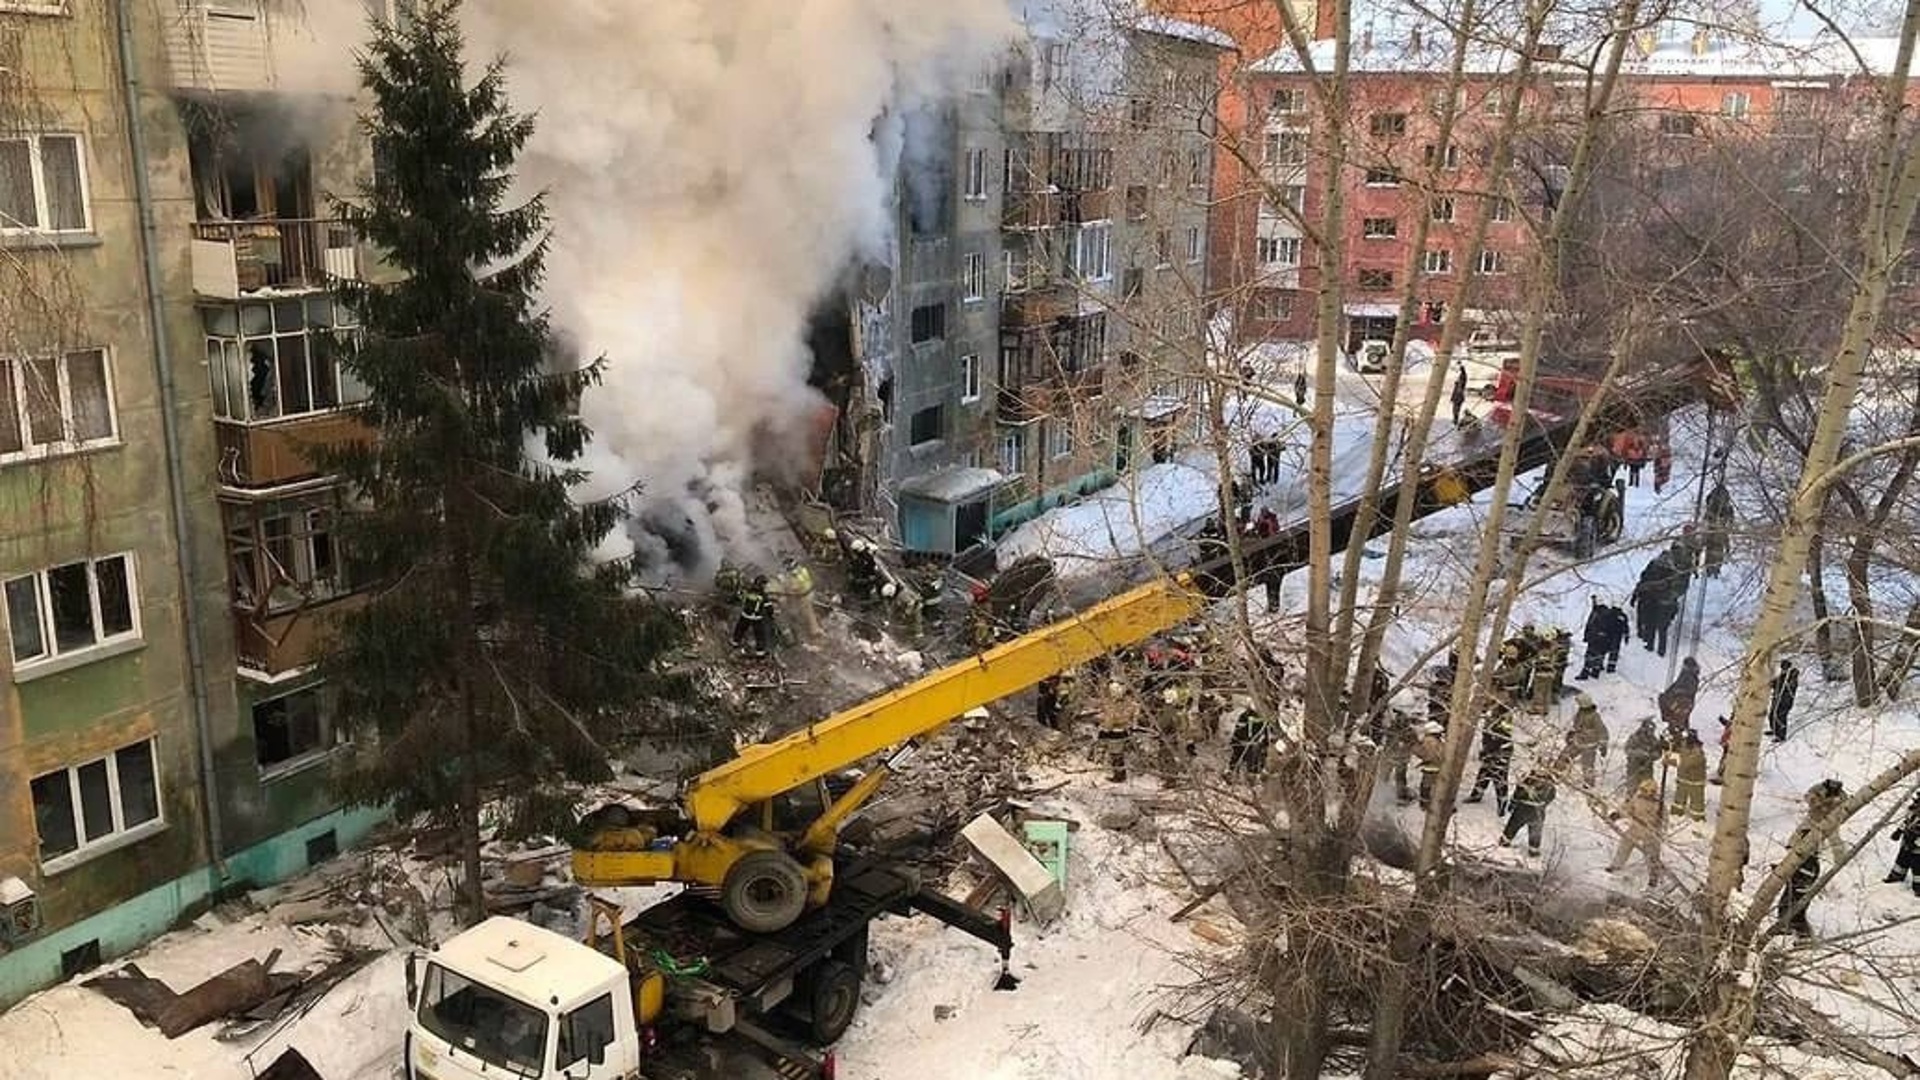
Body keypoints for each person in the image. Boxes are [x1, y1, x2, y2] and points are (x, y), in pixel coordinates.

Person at [1605, 778, 1665, 887]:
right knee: (1625, 843)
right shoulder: (1637, 798)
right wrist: (1617, 814)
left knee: (1652, 853)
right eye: (1643, 790)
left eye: (1647, 791)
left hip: (1650, 831)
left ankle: (1653, 876)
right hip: (1636, 827)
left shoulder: (1658, 804)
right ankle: (1616, 865)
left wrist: (1659, 827)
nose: (1644, 793)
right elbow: (1628, 808)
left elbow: (1664, 820)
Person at [1464, 695, 1514, 812]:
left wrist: (1489, 750)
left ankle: (1502, 802)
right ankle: (1476, 795)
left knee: (1499, 778)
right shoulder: (1493, 716)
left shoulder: (1504, 719)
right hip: (1490, 748)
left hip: (1501, 751)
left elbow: (1501, 736)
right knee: (1484, 773)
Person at [1501, 768, 1557, 856]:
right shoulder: (1549, 783)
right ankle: (1533, 851)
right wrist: (1542, 805)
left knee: (1512, 827)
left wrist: (1513, 804)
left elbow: (1518, 792)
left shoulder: (1528, 778)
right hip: (1538, 812)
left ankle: (1504, 843)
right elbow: (1551, 796)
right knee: (1535, 833)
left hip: (1522, 809)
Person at [1778, 824, 1821, 937]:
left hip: (1798, 895)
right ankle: (1787, 932)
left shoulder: (1811, 862)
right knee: (1786, 911)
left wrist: (1790, 875)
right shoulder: (1805, 860)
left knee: (1797, 917)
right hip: (1792, 892)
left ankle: (1803, 937)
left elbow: (1804, 879)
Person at [1098, 680, 1142, 782]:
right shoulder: (1125, 703)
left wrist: (1106, 727)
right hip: (1118, 730)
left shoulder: (1122, 704)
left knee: (1116, 754)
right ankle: (1119, 774)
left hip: (1117, 731)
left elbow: (1114, 718)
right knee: (1116, 754)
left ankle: (1119, 775)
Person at [1803, 778, 1850, 867]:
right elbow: (1808, 798)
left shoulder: (1841, 794)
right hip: (1815, 817)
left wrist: (1835, 804)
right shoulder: (1817, 788)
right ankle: (1808, 855)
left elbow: (1845, 804)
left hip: (1831, 820)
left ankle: (1840, 860)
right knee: (1809, 835)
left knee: (1834, 839)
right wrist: (1821, 802)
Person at [1565, 693, 1609, 786]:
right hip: (1577, 741)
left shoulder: (1595, 717)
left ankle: (1588, 784)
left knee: (1587, 766)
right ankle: (1556, 772)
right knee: (1565, 755)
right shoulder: (1580, 713)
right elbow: (1576, 725)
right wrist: (1572, 733)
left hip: (1589, 745)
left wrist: (1603, 745)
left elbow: (1602, 730)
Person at [1882, 789, 1920, 895]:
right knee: (1902, 860)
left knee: (1918, 867)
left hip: (1918, 848)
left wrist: (1916, 843)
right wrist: (1898, 831)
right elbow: (1906, 821)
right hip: (1907, 840)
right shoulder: (1914, 808)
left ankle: (1919, 888)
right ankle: (1896, 875)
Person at [1667, 729, 1708, 822]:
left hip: (1695, 781)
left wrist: (1671, 762)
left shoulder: (1698, 751)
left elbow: (1686, 763)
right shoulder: (1684, 746)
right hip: (1683, 778)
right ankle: (1677, 812)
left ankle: (1698, 819)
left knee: (1697, 802)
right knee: (1679, 798)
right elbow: (1678, 752)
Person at [776, 554, 820, 640]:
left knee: (808, 614)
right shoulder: (803, 570)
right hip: (811, 592)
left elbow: (792, 589)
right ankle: (815, 625)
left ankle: (814, 632)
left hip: (804, 597)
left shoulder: (793, 577)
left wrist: (783, 582)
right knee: (810, 612)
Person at [731, 574, 775, 657]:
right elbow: (769, 608)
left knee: (740, 630)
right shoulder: (763, 595)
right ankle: (760, 653)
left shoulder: (748, 590)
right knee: (759, 635)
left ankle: (735, 643)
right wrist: (771, 615)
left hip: (745, 615)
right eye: (764, 584)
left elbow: (739, 596)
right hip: (756, 618)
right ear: (762, 584)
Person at [1227, 698, 1272, 778]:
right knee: (1237, 753)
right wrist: (1243, 739)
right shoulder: (1244, 716)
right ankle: (1231, 771)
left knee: (1257, 754)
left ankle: (1253, 774)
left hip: (1257, 742)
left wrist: (1265, 741)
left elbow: (1266, 730)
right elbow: (1239, 730)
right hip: (1242, 741)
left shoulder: (1265, 716)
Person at [1658, 658, 1701, 734]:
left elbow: (1689, 690)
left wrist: (1674, 692)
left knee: (1676, 718)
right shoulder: (1685, 674)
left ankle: (1676, 732)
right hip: (1679, 700)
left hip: (1682, 702)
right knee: (1663, 700)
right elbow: (1675, 685)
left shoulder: (1691, 677)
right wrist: (1668, 693)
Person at [1702, 482, 1734, 578]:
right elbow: (1707, 517)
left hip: (1717, 533)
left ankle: (1714, 570)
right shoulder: (1715, 504)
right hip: (1714, 533)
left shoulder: (1726, 507)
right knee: (1713, 552)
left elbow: (1730, 521)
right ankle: (1711, 570)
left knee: (1716, 552)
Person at [1412, 721, 1446, 808]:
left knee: (1426, 786)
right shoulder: (1438, 740)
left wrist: (1415, 747)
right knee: (1435, 786)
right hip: (1437, 766)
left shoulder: (1428, 740)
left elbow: (1424, 753)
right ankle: (1430, 803)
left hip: (1430, 766)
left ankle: (1425, 803)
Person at [1622, 717, 1661, 792]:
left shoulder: (1654, 740)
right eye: (1649, 729)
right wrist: (1639, 753)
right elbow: (1627, 749)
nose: (1651, 732)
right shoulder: (1634, 737)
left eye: (1652, 730)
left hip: (1647, 768)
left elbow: (1658, 752)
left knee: (1646, 790)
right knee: (1632, 788)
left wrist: (1652, 755)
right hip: (1634, 767)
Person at [1768, 658, 1800, 742]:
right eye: (1782, 668)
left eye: (1784, 668)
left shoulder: (1792, 677)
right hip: (1777, 699)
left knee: (1781, 717)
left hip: (1785, 702)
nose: (1782, 670)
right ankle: (1775, 730)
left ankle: (1781, 736)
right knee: (1772, 715)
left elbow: (1789, 688)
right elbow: (1775, 684)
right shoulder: (1782, 676)